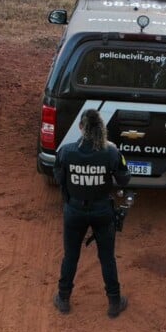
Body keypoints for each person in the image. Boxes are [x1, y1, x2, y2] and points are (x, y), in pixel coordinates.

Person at [53, 109, 132, 318]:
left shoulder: (66, 152)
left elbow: (58, 178)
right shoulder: (111, 152)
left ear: (81, 128)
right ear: (101, 129)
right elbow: (125, 179)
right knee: (107, 258)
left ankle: (63, 298)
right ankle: (114, 302)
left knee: (71, 256)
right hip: (102, 211)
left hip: (74, 211)